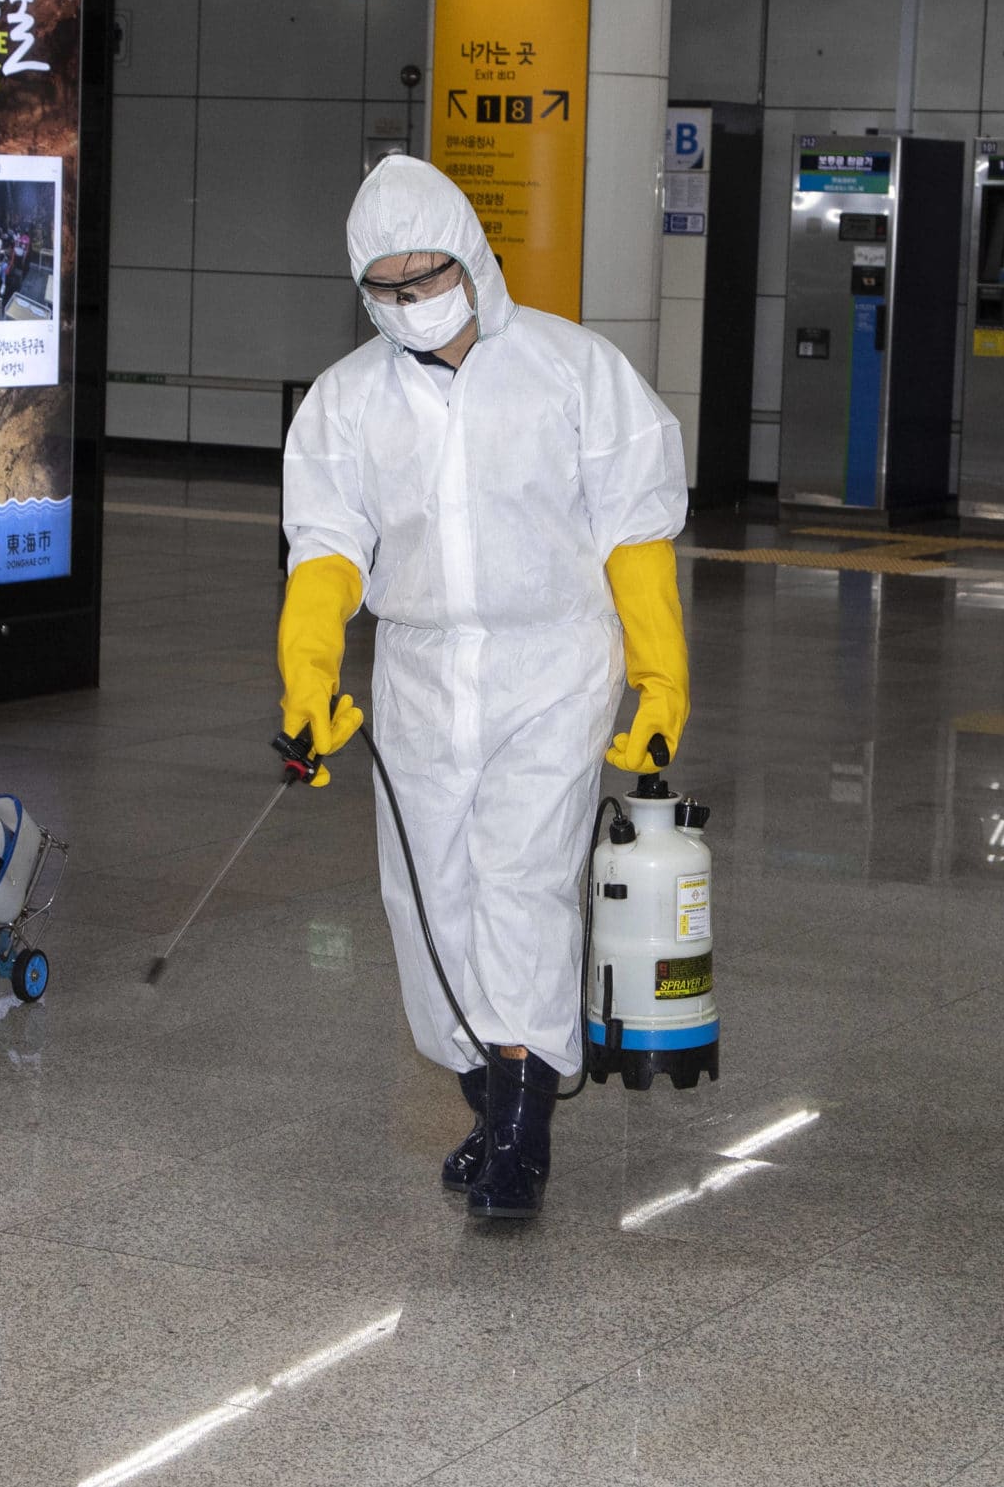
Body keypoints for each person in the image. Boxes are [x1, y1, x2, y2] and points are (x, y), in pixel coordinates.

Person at [279, 156, 690, 1221]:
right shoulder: (345, 402)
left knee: (517, 875)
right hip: (419, 669)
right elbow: (325, 550)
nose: (414, 301)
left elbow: (635, 527)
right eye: (388, 286)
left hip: (552, 661)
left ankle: (521, 1129)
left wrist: (657, 672)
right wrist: (310, 672)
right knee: (426, 894)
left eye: (429, 274)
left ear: (472, 258)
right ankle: (488, 1087)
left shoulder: (570, 369)